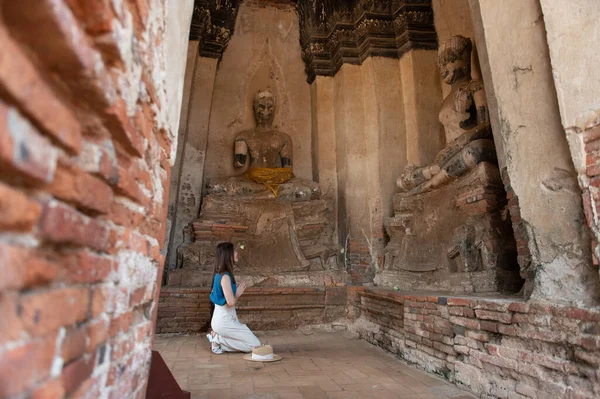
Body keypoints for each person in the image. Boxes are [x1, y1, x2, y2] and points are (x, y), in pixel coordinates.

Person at [207, 242, 261, 354]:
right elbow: (230, 302)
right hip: (224, 321)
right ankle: (217, 339)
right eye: (234, 251)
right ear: (228, 255)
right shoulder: (225, 277)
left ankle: (217, 340)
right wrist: (238, 293)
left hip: (222, 319)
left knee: (251, 344)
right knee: (255, 345)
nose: (237, 253)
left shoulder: (219, 274)